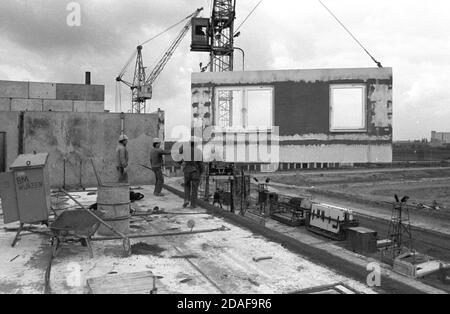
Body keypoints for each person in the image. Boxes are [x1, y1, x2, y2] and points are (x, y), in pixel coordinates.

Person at [179, 138, 204, 209]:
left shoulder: (185, 150)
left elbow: (179, 152)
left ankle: (186, 200)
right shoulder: (198, 151)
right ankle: (193, 205)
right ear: (196, 144)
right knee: (194, 188)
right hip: (195, 172)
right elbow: (200, 163)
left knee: (187, 186)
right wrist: (202, 171)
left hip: (186, 171)